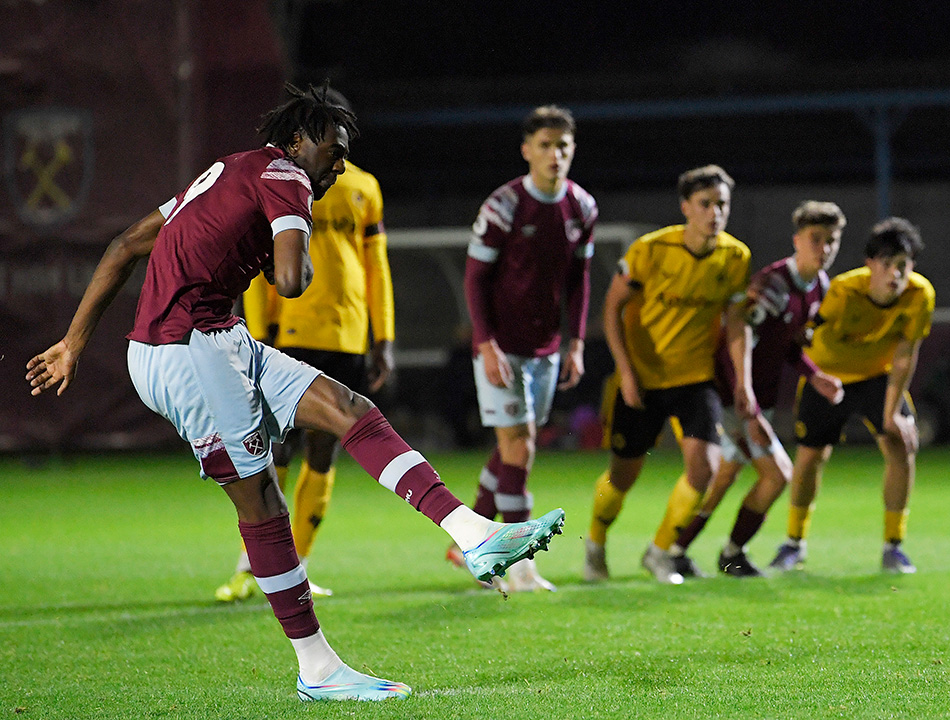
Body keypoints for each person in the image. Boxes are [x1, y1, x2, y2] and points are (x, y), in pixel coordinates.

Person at [25, 83, 564, 703]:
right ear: (298, 142)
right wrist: (298, 247)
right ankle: (317, 667)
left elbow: (124, 246)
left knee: (350, 410)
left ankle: (474, 534)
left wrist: (72, 343)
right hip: (184, 352)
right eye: (333, 151)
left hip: (214, 338)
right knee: (263, 503)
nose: (338, 165)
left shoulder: (230, 168)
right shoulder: (290, 179)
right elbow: (289, 279)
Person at [215, 88, 395, 603]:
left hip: (346, 336)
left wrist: (382, 337)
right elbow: (258, 261)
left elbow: (376, 267)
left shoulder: (363, 188)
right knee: (271, 448)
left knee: (324, 451)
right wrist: (258, 329)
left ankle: (300, 564)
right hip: (289, 332)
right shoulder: (279, 181)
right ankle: (252, 567)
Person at [450, 105, 597, 593]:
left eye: (563, 146)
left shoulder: (582, 208)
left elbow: (579, 279)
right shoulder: (505, 205)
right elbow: (476, 276)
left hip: (546, 348)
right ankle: (519, 564)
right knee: (521, 446)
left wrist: (575, 341)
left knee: (510, 447)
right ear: (526, 150)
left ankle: (466, 542)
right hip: (502, 347)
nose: (555, 155)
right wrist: (484, 342)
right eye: (546, 146)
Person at [584, 164, 754, 585]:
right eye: (705, 204)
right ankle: (595, 543)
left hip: (694, 379)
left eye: (722, 204)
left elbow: (736, 324)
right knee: (622, 477)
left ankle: (660, 552)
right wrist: (625, 372)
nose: (715, 212)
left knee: (705, 469)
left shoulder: (735, 257)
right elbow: (612, 308)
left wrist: (743, 381)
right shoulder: (651, 250)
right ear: (685, 207)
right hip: (641, 379)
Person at [667, 201, 847, 577]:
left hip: (753, 399)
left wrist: (814, 375)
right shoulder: (773, 285)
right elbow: (739, 338)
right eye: (816, 239)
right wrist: (745, 402)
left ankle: (675, 550)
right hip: (730, 394)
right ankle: (732, 554)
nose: (824, 248)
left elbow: (790, 346)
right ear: (797, 240)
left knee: (724, 479)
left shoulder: (819, 287)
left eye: (832, 240)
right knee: (777, 474)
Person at [769, 217, 934, 574]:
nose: (895, 274)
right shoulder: (842, 292)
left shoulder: (920, 294)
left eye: (902, 265)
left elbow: (906, 354)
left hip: (878, 377)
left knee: (901, 446)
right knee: (811, 457)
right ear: (870, 264)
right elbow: (805, 334)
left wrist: (891, 414)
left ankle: (894, 546)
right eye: (887, 264)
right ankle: (793, 543)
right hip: (828, 379)